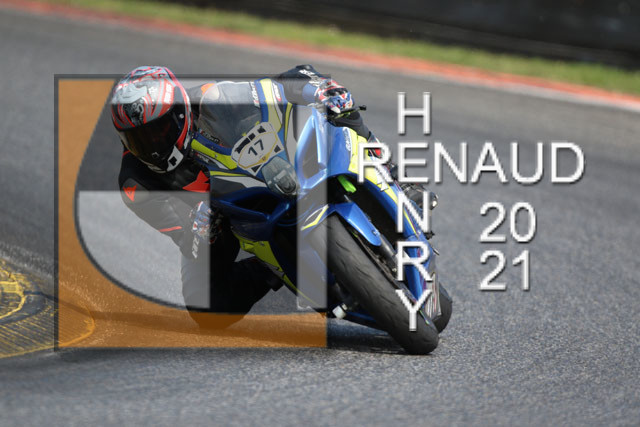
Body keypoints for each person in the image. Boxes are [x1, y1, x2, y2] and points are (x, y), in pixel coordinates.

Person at [111, 65, 423, 326]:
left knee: (338, 106)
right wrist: (199, 228)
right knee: (206, 307)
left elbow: (276, 86)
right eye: (136, 138)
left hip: (268, 166)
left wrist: (318, 89)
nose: (150, 145)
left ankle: (393, 174)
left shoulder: (211, 98)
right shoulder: (135, 185)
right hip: (220, 221)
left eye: (157, 130)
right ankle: (272, 269)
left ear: (179, 112)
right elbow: (185, 240)